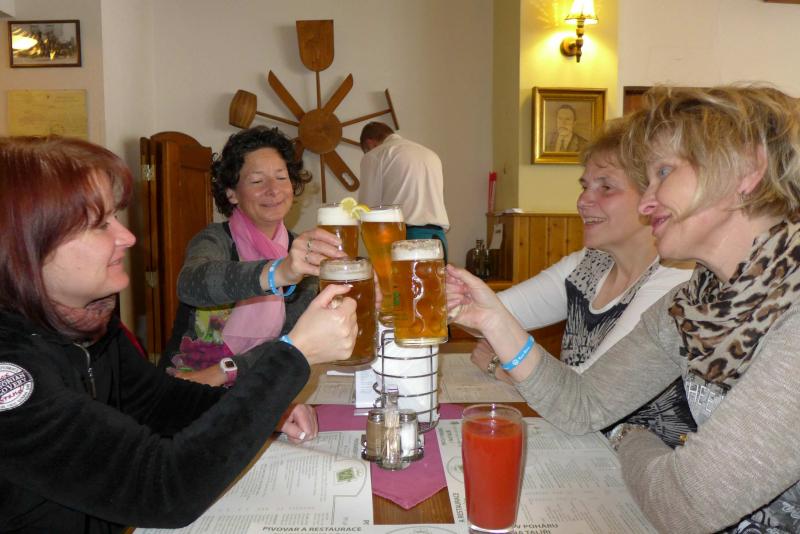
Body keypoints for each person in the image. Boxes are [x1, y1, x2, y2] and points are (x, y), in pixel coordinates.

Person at [447, 85, 800, 533]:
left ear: (747, 170)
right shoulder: (692, 304)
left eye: (664, 172)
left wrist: (628, 436)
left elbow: (685, 507)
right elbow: (581, 404)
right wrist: (494, 321)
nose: (647, 203)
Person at [0, 136, 358, 532]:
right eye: (100, 224)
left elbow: (160, 403)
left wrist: (268, 412)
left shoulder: (90, 324)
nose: (127, 237)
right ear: (25, 245)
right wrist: (295, 354)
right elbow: (161, 490)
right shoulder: (10, 374)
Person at [472, 118, 694, 447]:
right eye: (585, 186)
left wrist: (500, 367)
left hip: (646, 462)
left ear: (652, 197)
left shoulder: (675, 282)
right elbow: (490, 316)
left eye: (606, 188)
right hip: (584, 446)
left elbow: (580, 398)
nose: (582, 201)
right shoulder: (590, 264)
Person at [159, 126, 347, 440]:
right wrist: (278, 272)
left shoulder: (303, 254)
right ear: (231, 193)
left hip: (255, 394)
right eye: (257, 181)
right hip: (184, 394)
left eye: (281, 177)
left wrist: (226, 370)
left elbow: (291, 342)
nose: (273, 190)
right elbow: (191, 284)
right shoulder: (215, 240)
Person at [358, 121, 450, 259]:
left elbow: (366, 210)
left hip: (405, 241)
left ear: (370, 143)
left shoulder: (375, 154)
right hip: (438, 239)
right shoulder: (430, 154)